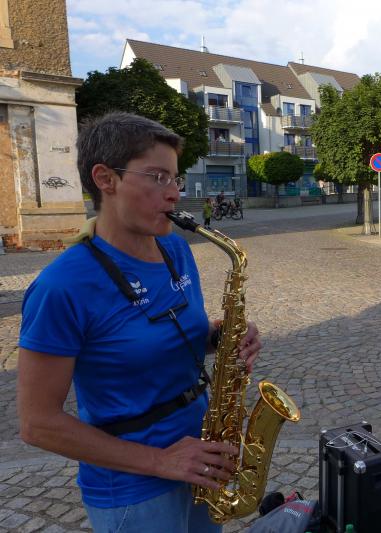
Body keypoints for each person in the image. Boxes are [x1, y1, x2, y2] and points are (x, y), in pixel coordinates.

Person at [16, 112, 262, 533]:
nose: (175, 193)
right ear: (105, 179)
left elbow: (169, 335)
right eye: (158, 177)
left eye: (175, 178)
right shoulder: (62, 286)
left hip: (203, 459)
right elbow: (38, 424)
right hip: (133, 490)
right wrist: (161, 461)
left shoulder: (175, 250)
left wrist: (223, 337)